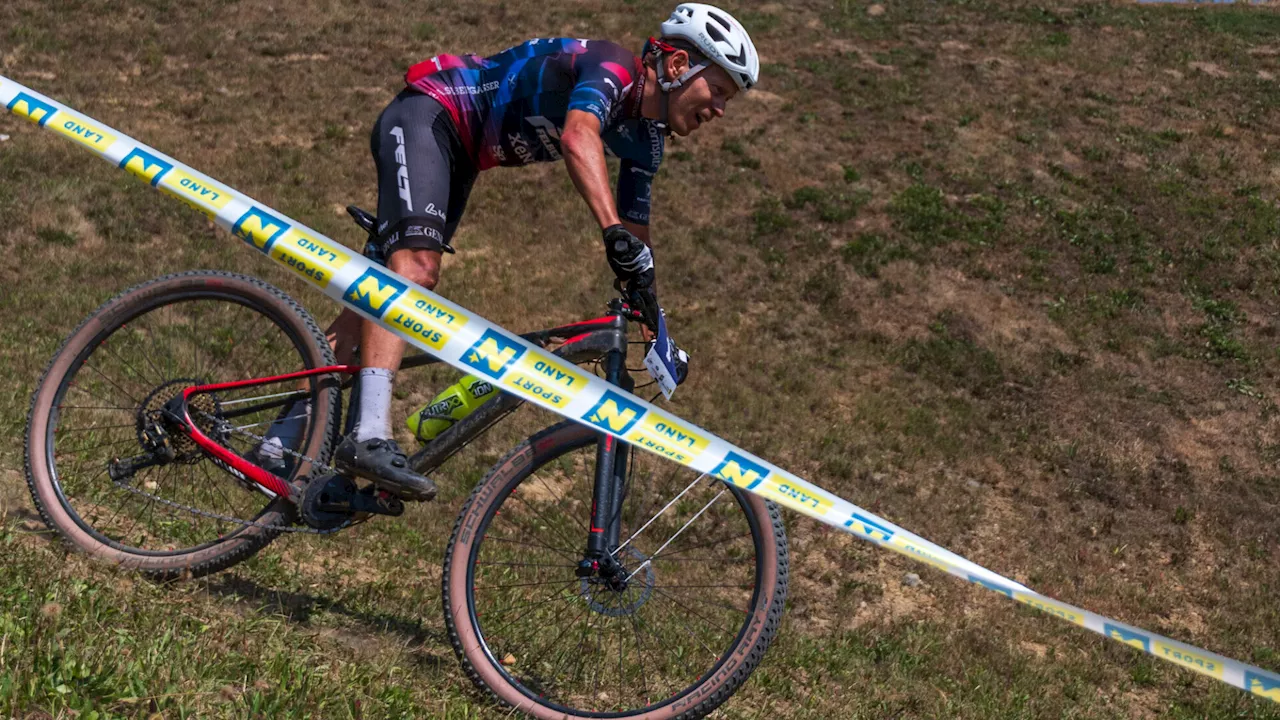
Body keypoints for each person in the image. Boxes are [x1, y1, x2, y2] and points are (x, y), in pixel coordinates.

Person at [256, 4, 760, 497]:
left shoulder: (646, 139)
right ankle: (367, 437)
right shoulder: (612, 68)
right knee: (414, 273)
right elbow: (578, 135)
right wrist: (611, 232)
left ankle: (274, 449)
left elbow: (636, 235)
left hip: (463, 156)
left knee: (370, 309)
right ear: (676, 66)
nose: (718, 110)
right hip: (430, 113)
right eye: (717, 91)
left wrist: (655, 317)